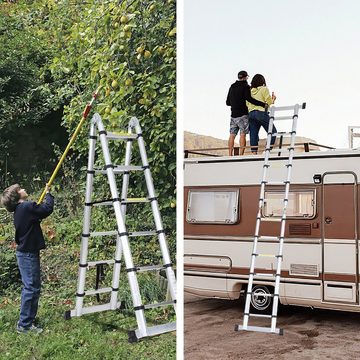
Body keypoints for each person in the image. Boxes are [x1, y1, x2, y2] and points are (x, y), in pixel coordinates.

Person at [1, 183, 54, 334]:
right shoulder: (26, 207)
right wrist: (48, 193)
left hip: (26, 253)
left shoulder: (21, 210)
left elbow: (36, 215)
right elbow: (47, 209)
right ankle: (24, 325)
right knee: (31, 288)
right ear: (17, 196)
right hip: (28, 254)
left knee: (32, 288)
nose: (23, 189)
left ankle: (28, 320)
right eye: (20, 189)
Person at [226, 71, 266, 156]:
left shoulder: (232, 86)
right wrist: (262, 104)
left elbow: (227, 102)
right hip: (243, 114)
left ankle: (229, 155)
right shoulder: (246, 86)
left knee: (232, 135)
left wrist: (235, 103)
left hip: (233, 115)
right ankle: (241, 155)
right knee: (243, 134)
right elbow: (249, 99)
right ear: (245, 77)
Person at [247, 74, 277, 154]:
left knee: (253, 134)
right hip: (261, 113)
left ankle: (254, 153)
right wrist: (273, 99)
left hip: (250, 114)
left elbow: (247, 104)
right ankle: (267, 150)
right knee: (273, 131)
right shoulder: (264, 89)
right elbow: (269, 102)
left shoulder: (249, 91)